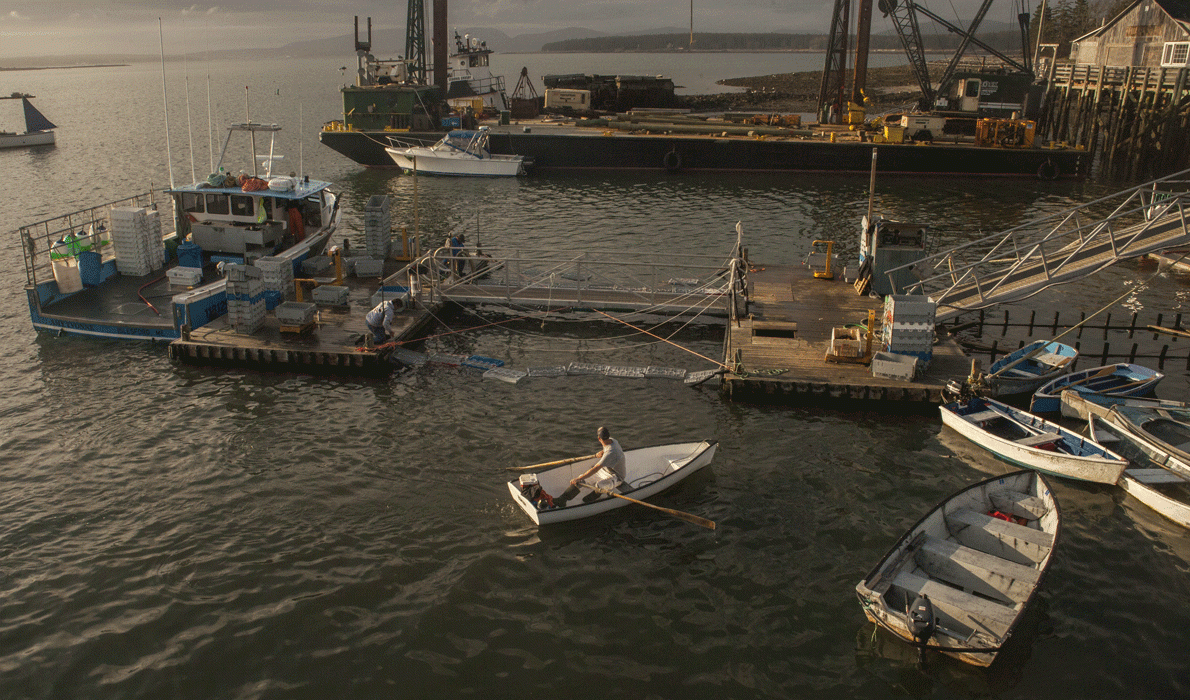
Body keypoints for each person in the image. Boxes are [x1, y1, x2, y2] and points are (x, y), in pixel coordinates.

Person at [556, 427, 626, 507]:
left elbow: (595, 469)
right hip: (605, 470)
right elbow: (607, 449)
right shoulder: (612, 440)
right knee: (580, 481)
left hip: (616, 476)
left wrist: (579, 478)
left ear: (599, 438)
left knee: (599, 485)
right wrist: (601, 452)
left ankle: (590, 502)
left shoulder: (610, 452)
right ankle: (562, 499)